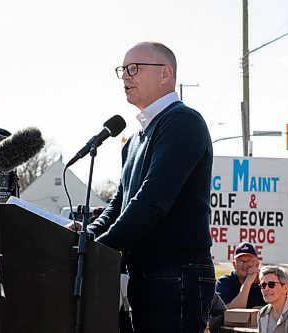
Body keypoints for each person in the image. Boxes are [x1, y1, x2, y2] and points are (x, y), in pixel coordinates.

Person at [71, 41, 215, 332]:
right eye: (123, 70)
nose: (126, 76)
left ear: (166, 73)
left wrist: (98, 249)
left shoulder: (182, 122)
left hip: (177, 274)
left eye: (134, 68)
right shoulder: (135, 140)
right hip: (146, 275)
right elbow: (120, 204)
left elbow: (151, 201)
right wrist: (87, 236)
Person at [216, 242, 266, 309]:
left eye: (249, 261)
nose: (245, 265)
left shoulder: (265, 283)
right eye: (240, 261)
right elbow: (232, 313)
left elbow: (277, 309)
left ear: (257, 264)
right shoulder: (224, 282)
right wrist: (247, 283)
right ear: (234, 264)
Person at [257, 266, 288, 333]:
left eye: (271, 284)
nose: (266, 289)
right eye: (263, 285)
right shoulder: (262, 313)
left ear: (285, 288)